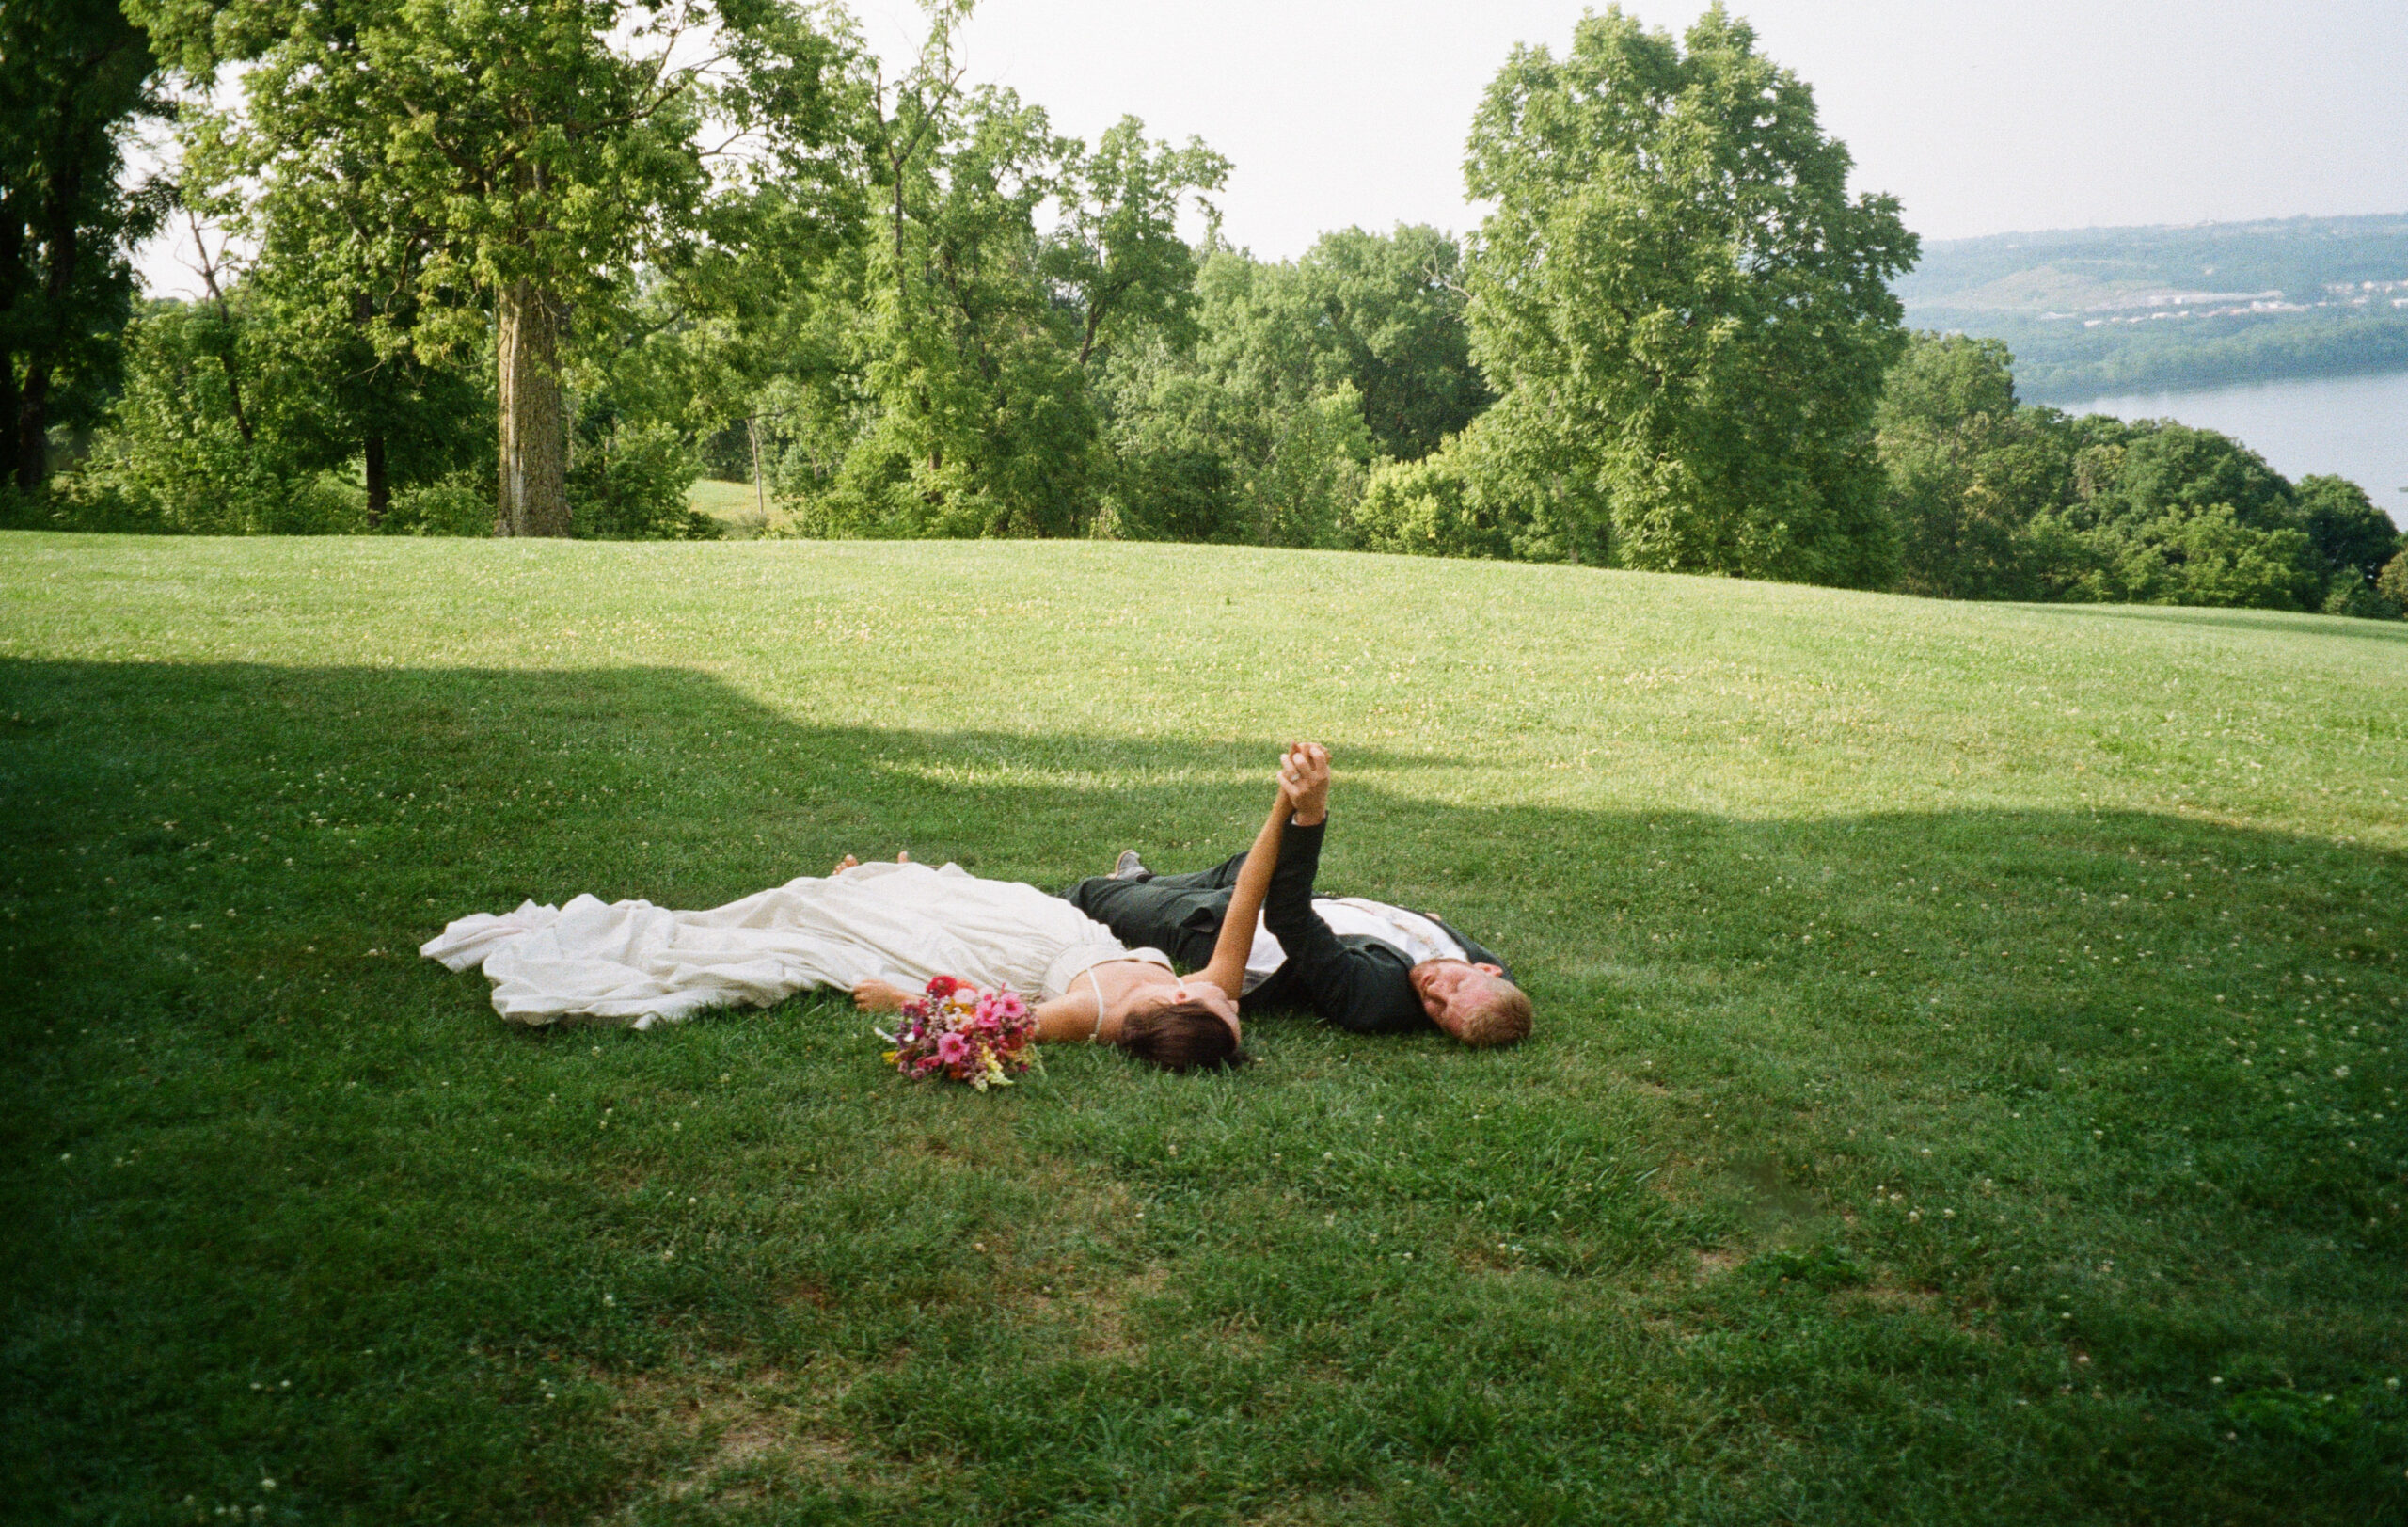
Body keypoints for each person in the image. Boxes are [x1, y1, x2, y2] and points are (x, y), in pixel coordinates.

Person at [420, 755, 1301, 1073]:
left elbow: (1005, 1024)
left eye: (1224, 1001)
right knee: (907, 888)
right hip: (1033, 917)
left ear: (1181, 1010)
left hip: (1014, 946)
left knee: (825, 919)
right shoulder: (1203, 987)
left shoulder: (1096, 1016)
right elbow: (1251, 893)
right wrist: (1286, 804)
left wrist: (902, 1005)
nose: (1230, 988)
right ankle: (893, 884)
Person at [1065, 743, 1531, 1047]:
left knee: (1089, 893)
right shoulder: (1488, 975)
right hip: (1275, 891)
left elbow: (1289, 918)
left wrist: (1308, 817)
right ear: (1487, 970)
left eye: (1439, 1013)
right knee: (1244, 864)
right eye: (1456, 988)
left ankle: (1126, 890)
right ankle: (1142, 881)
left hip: (1223, 928)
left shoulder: (1373, 1001)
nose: (1436, 994)